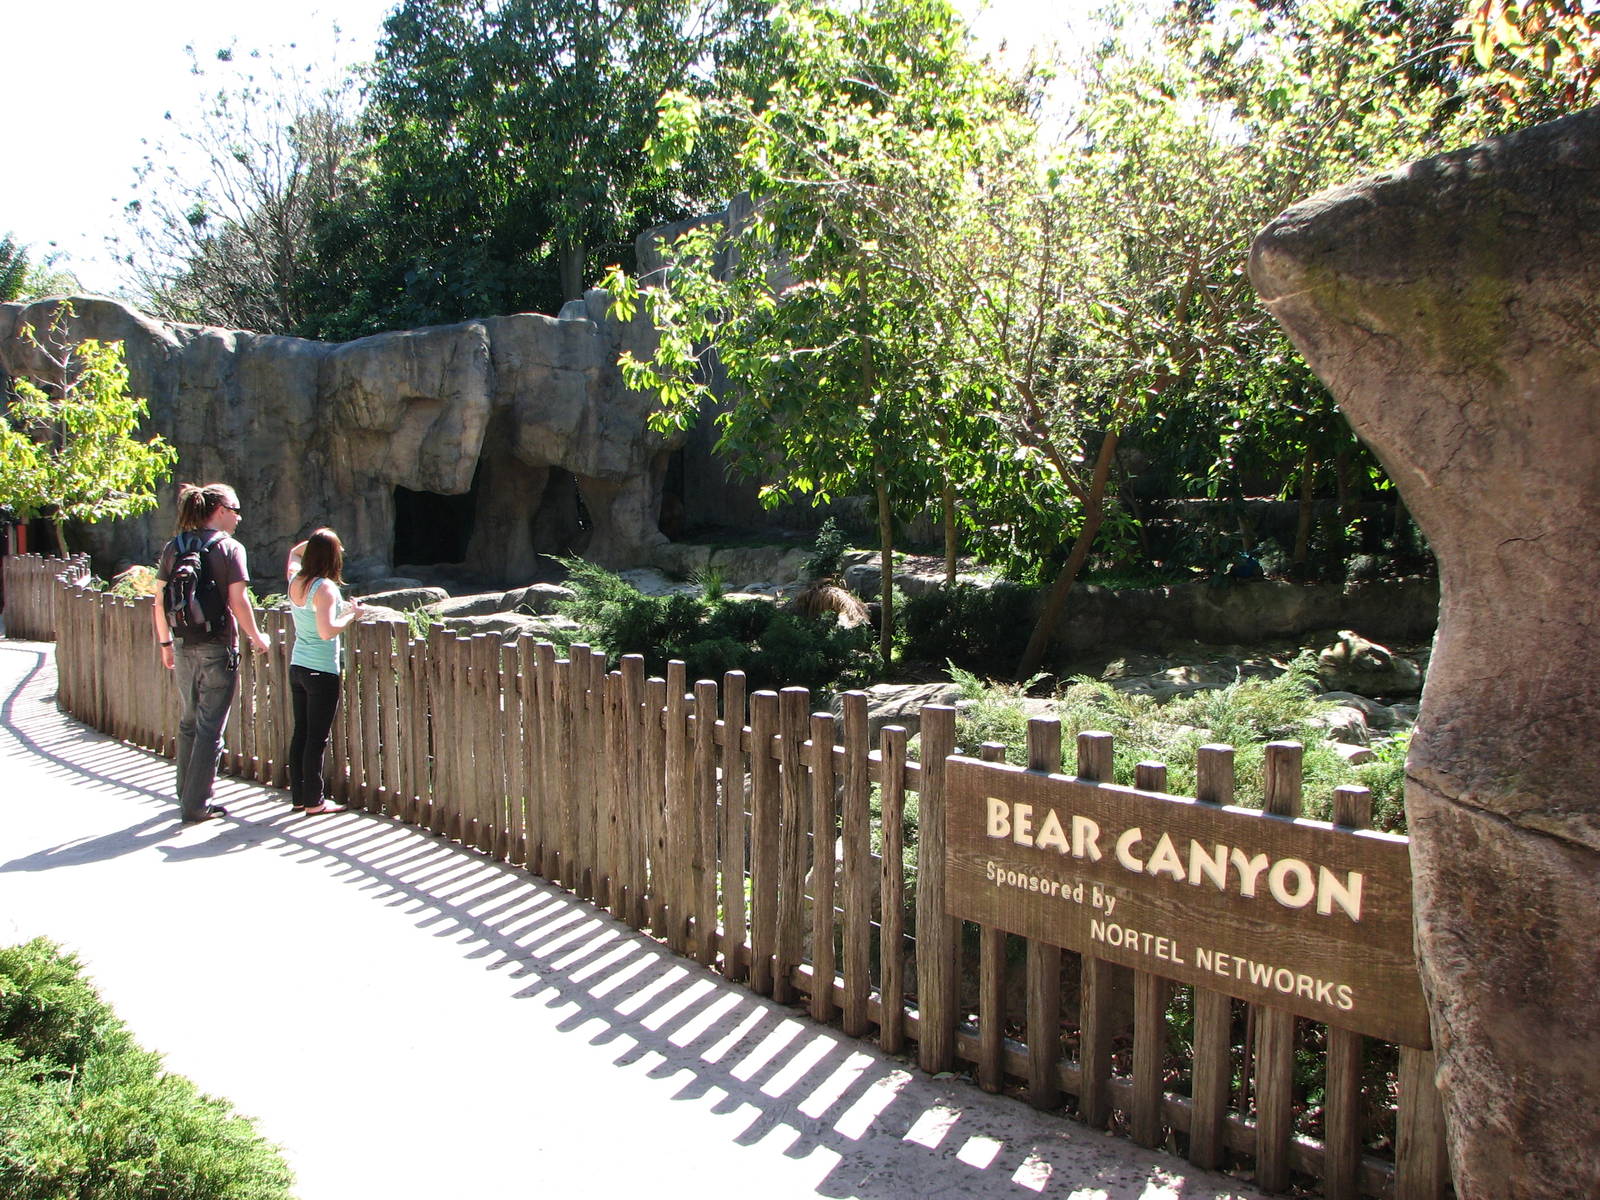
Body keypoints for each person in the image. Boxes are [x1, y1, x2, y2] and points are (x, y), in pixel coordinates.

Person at [152, 482, 272, 824]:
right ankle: (197, 804)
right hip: (218, 646)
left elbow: (159, 601)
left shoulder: (173, 547)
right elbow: (238, 601)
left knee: (188, 721)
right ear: (219, 511)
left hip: (182, 643)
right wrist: (256, 636)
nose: (238, 517)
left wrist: (165, 643)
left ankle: (185, 793)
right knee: (210, 728)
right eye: (235, 510)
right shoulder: (230, 548)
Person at [285, 528, 365, 815]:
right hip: (321, 670)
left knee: (301, 734)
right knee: (316, 739)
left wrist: (317, 541)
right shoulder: (326, 588)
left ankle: (298, 797)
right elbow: (327, 630)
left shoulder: (296, 580)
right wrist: (351, 616)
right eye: (338, 549)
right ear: (331, 556)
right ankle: (315, 802)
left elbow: (294, 554)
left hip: (298, 667)